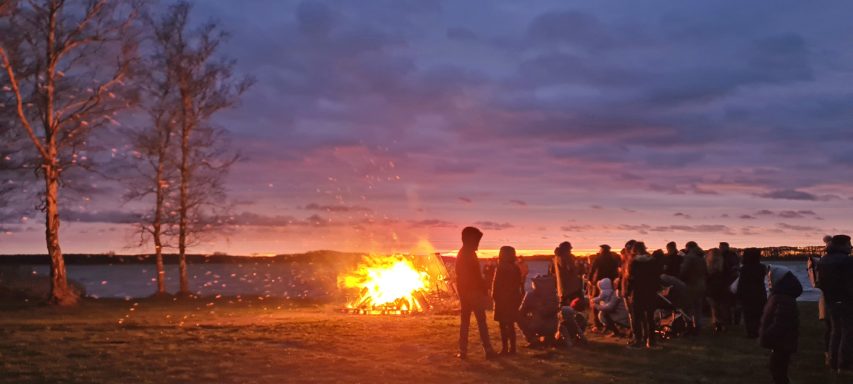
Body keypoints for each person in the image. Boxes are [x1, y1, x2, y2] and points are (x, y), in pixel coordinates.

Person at [454, 226, 497, 359]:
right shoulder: (468, 254)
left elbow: (462, 276)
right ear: (471, 240)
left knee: (467, 322)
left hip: (467, 292)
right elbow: (474, 275)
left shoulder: (464, 253)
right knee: (480, 321)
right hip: (472, 292)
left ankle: (464, 351)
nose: (478, 243)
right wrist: (482, 288)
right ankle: (487, 350)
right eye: (477, 240)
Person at [760, 265, 803, 384]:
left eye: (770, 279)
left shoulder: (783, 298)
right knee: (777, 367)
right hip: (781, 341)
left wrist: (768, 334)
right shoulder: (779, 296)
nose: (768, 282)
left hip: (781, 341)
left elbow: (781, 322)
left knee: (778, 368)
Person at [817, 234, 853, 373]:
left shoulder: (824, 260)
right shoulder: (847, 261)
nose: (850, 247)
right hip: (846, 301)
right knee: (848, 333)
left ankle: (833, 361)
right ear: (842, 245)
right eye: (849, 244)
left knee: (836, 331)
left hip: (831, 300)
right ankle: (845, 364)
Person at [625, 241, 661, 349]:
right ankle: (651, 341)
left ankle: (638, 341)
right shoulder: (652, 261)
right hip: (650, 292)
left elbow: (630, 279)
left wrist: (628, 291)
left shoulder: (633, 262)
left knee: (637, 318)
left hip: (638, 292)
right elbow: (656, 276)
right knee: (650, 318)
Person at [491, 246, 524, 355]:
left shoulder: (501, 267)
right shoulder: (515, 267)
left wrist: (494, 296)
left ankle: (505, 348)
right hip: (513, 298)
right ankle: (512, 348)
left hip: (502, 299)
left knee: (503, 325)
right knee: (510, 324)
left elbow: (496, 284)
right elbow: (519, 283)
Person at [519, 274, 560, 348]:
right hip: (553, 327)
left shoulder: (530, 295)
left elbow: (521, 311)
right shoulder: (554, 295)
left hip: (537, 325)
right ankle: (549, 339)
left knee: (519, 317)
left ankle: (532, 339)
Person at [736, 248, 768, 338]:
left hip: (747, 293)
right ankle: (760, 331)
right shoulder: (762, 267)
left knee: (748, 315)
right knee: (759, 313)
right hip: (760, 292)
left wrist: (738, 295)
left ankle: (751, 333)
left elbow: (741, 283)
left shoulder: (744, 269)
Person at [680, 241, 708, 335]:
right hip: (701, 284)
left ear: (689, 247)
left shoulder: (689, 257)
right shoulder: (702, 257)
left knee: (687, 307)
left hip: (691, 285)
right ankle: (698, 327)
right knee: (698, 307)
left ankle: (689, 326)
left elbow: (684, 271)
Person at [706, 248, 733, 334]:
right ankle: (724, 324)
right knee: (723, 307)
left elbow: (707, 278)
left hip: (712, 288)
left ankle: (716, 325)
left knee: (714, 308)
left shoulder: (709, 266)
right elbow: (729, 275)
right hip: (723, 288)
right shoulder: (724, 264)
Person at [550, 241, 583, 306]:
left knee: (564, 306)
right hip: (571, 287)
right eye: (570, 249)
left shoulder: (556, 258)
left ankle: (562, 315)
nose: (571, 251)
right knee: (576, 305)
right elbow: (572, 269)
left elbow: (552, 271)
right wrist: (579, 267)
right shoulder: (567, 257)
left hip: (561, 287)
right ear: (566, 249)